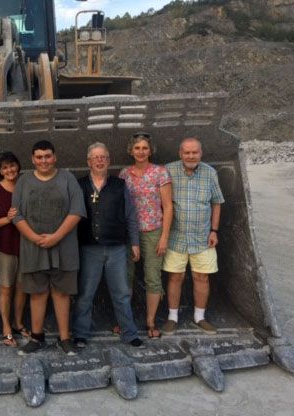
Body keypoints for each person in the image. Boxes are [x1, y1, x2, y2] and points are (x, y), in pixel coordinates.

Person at [12, 140, 86, 356]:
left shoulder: (68, 178)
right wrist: (36, 238)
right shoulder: (24, 181)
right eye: (39, 157)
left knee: (62, 293)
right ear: (32, 159)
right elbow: (15, 214)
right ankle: (37, 337)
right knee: (37, 293)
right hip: (33, 248)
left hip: (64, 247)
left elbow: (77, 210)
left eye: (47, 156)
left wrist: (56, 237)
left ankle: (64, 339)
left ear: (55, 157)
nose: (43, 160)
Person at [72, 142, 145, 349]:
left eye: (103, 157)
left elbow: (131, 216)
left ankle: (129, 333)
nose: (100, 160)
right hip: (88, 248)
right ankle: (80, 334)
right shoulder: (80, 185)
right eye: (95, 157)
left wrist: (135, 243)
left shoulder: (120, 185)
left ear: (109, 160)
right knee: (85, 293)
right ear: (88, 161)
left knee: (121, 293)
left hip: (117, 248)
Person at [161, 137, 224, 335]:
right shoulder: (168, 171)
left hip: (202, 237)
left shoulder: (210, 173)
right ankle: (172, 317)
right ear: (180, 154)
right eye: (186, 152)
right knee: (175, 277)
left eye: (194, 152)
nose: (190, 156)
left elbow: (216, 202)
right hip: (175, 237)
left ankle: (200, 317)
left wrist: (214, 230)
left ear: (200, 153)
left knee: (201, 277)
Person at [119, 132, 173, 339]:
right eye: (137, 148)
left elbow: (168, 207)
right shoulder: (124, 174)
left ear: (150, 150)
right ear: (131, 151)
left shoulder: (161, 173)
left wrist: (164, 237)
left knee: (152, 277)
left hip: (153, 232)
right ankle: (125, 320)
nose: (141, 152)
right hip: (130, 232)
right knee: (126, 278)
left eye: (144, 148)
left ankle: (150, 321)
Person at [0, 151, 29, 347]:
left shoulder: (27, 186)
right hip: (4, 247)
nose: (9, 170)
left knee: (22, 287)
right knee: (6, 287)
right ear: (0, 171)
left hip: (27, 245)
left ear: (18, 166)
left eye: (12, 165)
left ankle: (18, 323)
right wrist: (8, 219)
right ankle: (6, 327)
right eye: (5, 167)